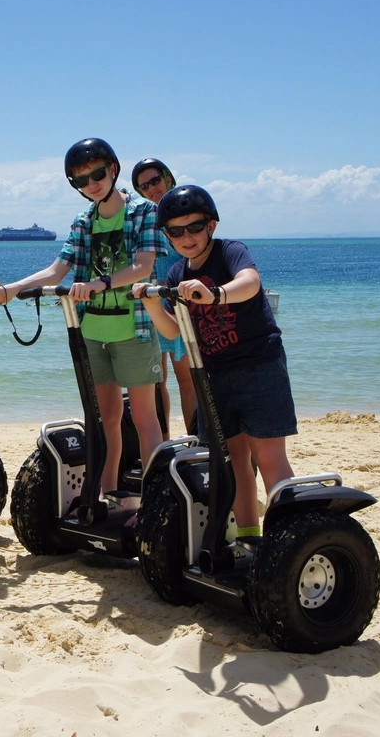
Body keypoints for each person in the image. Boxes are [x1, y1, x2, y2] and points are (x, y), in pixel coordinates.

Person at [0, 139, 168, 513]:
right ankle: (107, 495)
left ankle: (154, 501)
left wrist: (98, 284)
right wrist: (9, 291)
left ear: (113, 170)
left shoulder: (144, 211)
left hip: (134, 330)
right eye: (82, 180)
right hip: (92, 333)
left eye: (98, 174)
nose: (92, 183)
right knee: (106, 419)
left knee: (147, 419)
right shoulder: (83, 222)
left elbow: (143, 267)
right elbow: (57, 271)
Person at [133, 184, 296, 539]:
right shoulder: (176, 274)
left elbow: (250, 282)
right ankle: (250, 537)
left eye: (195, 227)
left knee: (268, 455)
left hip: (259, 367)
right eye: (176, 231)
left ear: (212, 225)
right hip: (215, 375)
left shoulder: (230, 252)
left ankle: (289, 538)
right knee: (231, 460)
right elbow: (175, 331)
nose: (186, 237)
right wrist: (150, 305)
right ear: (167, 236)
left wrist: (216, 295)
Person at [132, 158, 196, 438]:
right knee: (156, 381)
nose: (151, 189)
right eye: (143, 186)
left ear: (168, 178)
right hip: (149, 306)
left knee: (188, 380)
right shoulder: (144, 219)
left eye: (155, 181)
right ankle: (164, 443)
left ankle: (198, 440)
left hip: (181, 306)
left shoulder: (186, 214)